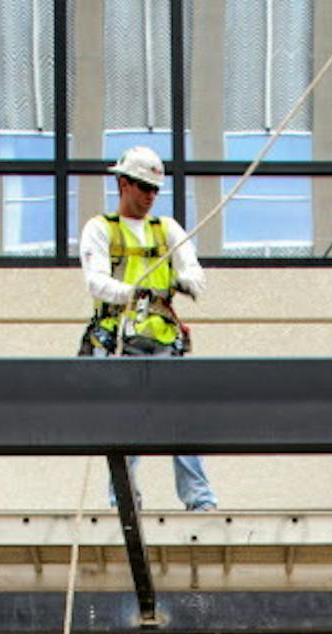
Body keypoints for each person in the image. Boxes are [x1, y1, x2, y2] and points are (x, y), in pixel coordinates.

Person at [78, 145, 220, 511]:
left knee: (181, 423)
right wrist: (134, 292)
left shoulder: (167, 230)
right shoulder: (100, 229)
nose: (150, 196)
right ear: (123, 183)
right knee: (125, 427)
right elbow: (96, 282)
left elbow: (195, 276)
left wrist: (179, 283)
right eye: (144, 187)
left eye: (155, 189)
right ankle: (122, 502)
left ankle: (200, 502)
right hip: (118, 340)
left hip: (161, 340)